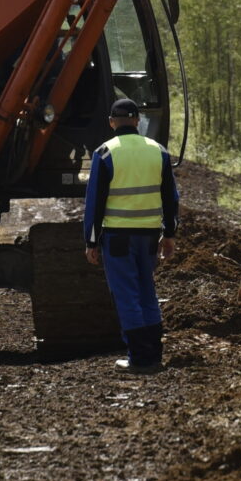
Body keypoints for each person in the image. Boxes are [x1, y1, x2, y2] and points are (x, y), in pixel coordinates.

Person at [82, 97, 178, 372]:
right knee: (147, 291)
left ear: (112, 123)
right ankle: (154, 353)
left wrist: (91, 241)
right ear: (137, 121)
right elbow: (171, 198)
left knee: (127, 295)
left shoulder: (105, 153)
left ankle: (140, 358)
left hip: (118, 238)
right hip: (148, 236)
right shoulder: (158, 151)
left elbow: (94, 203)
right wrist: (169, 234)